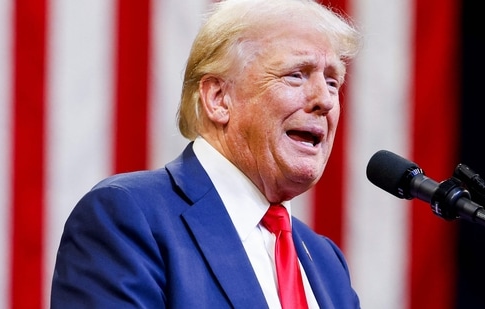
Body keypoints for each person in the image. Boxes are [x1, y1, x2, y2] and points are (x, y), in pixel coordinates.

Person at [50, 0, 362, 307]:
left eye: (333, 82)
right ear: (218, 99)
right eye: (297, 74)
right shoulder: (128, 218)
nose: (325, 100)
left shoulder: (326, 263)